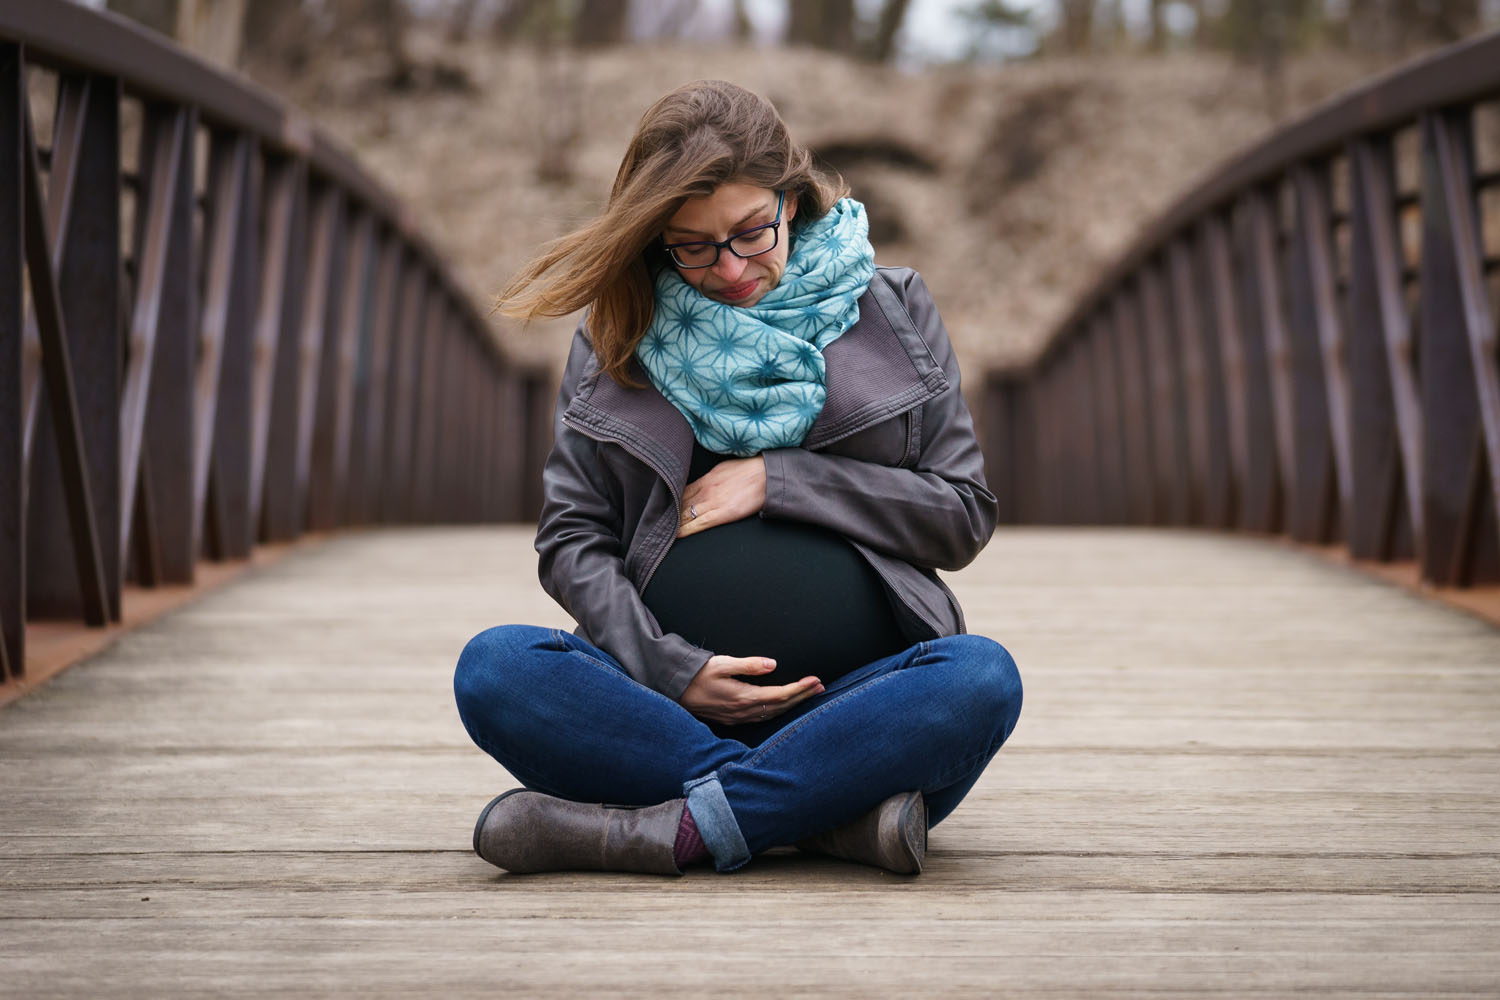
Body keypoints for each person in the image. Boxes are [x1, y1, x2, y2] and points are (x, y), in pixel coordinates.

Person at [453, 80, 1021, 877]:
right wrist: (669, 670)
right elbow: (573, 539)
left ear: (793, 200)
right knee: (495, 668)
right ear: (655, 239)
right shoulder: (620, 331)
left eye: (752, 231)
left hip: (861, 708)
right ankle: (821, 820)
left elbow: (961, 515)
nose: (729, 268)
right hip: (655, 706)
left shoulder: (893, 308)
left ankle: (672, 827)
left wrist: (782, 481)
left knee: (981, 680)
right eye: (692, 245)